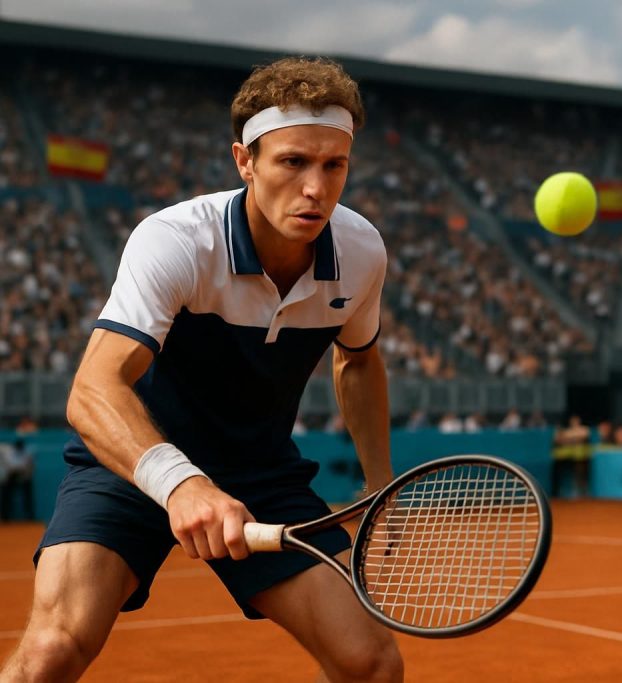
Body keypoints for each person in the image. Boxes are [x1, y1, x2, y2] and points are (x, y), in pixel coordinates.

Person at [0, 57, 403, 682]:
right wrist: (182, 483)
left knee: (371, 664)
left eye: (334, 165)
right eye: (293, 162)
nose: (316, 189)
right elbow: (91, 390)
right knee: (51, 653)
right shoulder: (177, 240)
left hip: (259, 472)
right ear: (244, 161)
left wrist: (379, 482)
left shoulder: (361, 251)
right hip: (133, 462)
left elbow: (358, 360)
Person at [0, 438, 34, 521]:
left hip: (23, 477)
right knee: (6, 495)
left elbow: (28, 468)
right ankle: (5, 516)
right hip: (10, 477)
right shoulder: (8, 452)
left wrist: (22, 472)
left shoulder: (27, 453)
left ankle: (29, 516)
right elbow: (10, 467)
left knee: (27, 495)